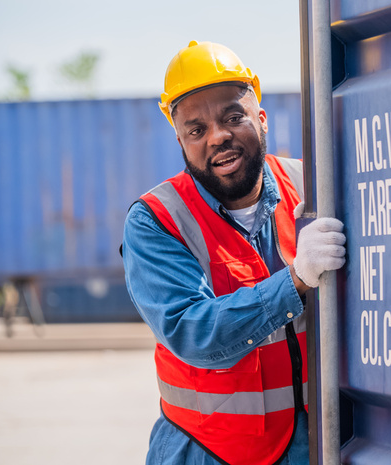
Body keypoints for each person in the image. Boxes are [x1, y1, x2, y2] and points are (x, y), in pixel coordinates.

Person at [122, 40, 346, 465]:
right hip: (207, 450)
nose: (218, 136)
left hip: (312, 444)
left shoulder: (313, 184)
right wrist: (296, 279)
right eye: (196, 129)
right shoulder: (156, 220)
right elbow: (191, 332)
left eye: (233, 117)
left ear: (261, 120)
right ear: (181, 141)